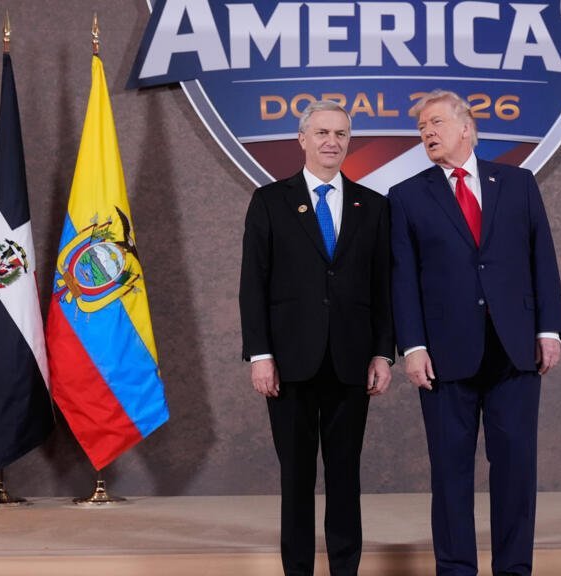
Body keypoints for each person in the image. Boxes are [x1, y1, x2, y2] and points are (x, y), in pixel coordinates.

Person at [388, 90, 561, 576]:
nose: (427, 132)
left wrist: (549, 329)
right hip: (444, 357)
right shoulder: (406, 196)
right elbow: (402, 279)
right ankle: (456, 569)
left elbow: (542, 261)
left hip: (515, 350)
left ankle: (513, 568)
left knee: (515, 472)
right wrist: (413, 347)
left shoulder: (519, 183)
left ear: (467, 128)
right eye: (422, 126)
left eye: (436, 122)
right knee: (450, 475)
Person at [239, 99, 394, 576]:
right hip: (289, 362)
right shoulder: (269, 200)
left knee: (346, 475)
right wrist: (260, 355)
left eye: (341, 134)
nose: (332, 142)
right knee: (297, 476)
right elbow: (253, 284)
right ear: (302, 139)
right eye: (322, 133)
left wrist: (382, 354)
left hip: (351, 360)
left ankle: (345, 568)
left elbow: (383, 287)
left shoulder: (374, 206)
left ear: (349, 142)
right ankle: (299, 569)